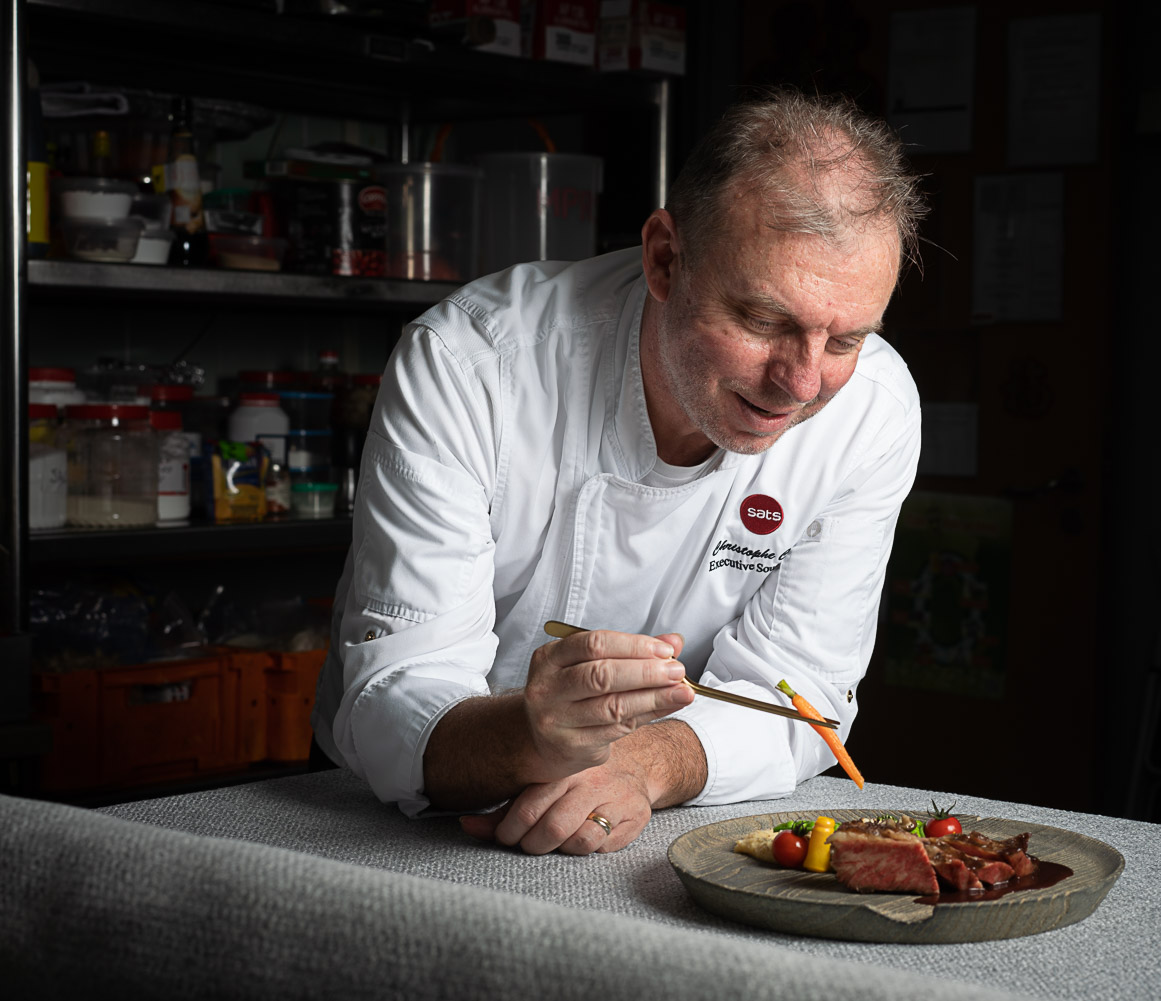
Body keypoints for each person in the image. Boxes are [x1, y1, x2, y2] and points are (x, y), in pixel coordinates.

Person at [311, 88, 927, 855]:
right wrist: (533, 737)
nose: (801, 384)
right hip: (381, 821)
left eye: (845, 339)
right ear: (665, 258)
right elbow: (394, 692)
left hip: (652, 821)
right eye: (765, 322)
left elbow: (799, 692)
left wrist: (641, 763)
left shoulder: (872, 410)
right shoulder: (472, 365)